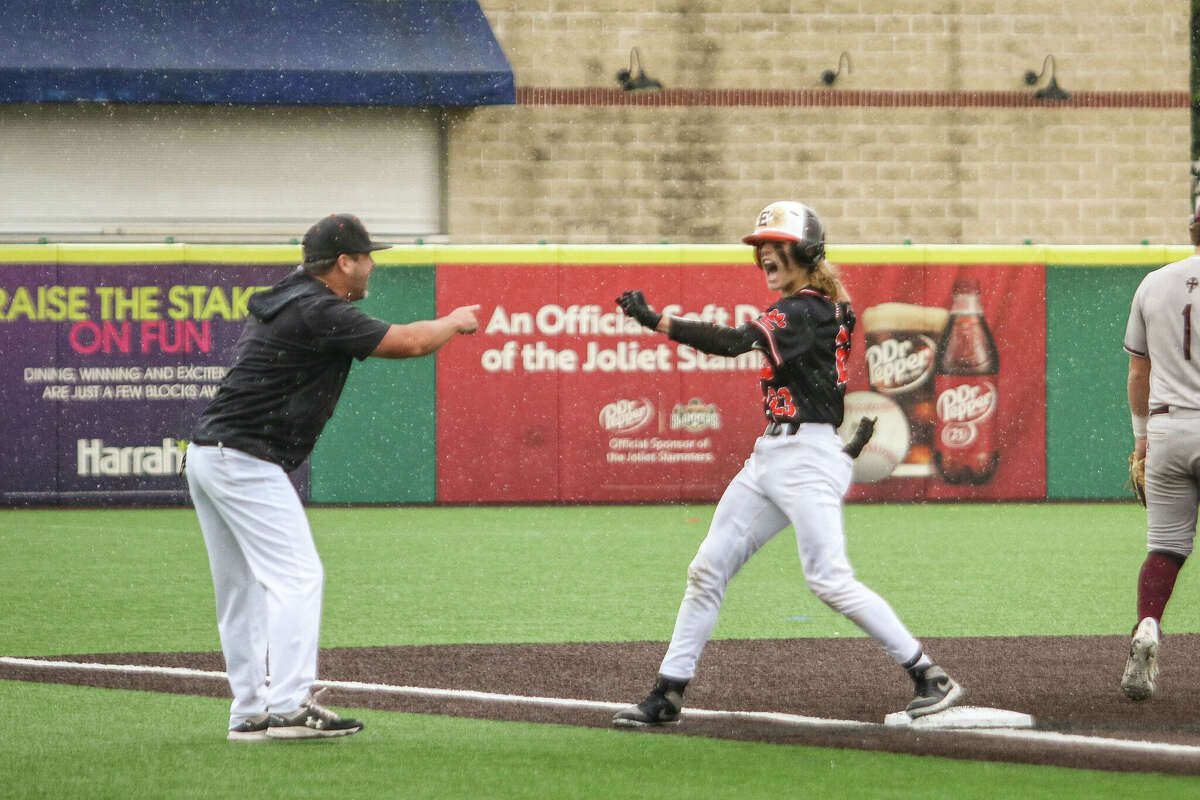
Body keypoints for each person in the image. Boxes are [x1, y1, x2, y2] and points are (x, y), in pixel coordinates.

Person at [610, 201, 964, 727]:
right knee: (707, 569)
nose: (766, 255)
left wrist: (659, 321)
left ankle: (928, 674)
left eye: (776, 245)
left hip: (804, 456)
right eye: (762, 248)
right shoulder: (818, 308)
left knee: (828, 579)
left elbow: (733, 344)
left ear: (805, 250)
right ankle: (667, 692)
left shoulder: (806, 309)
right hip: (776, 454)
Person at [185, 213, 480, 740]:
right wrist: (455, 321)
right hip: (245, 457)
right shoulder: (318, 309)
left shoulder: (292, 296)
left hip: (211, 453)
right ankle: (290, 707)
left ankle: (250, 711)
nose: (371, 266)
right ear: (344, 262)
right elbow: (410, 342)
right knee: (298, 578)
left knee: (241, 590)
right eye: (367, 257)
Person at [1120, 208, 1200, 701]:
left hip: (1169, 427)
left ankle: (1147, 626)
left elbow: (1137, 374)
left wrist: (1142, 439)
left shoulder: (1155, 283)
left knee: (1165, 549)